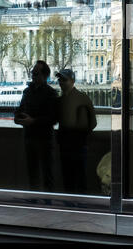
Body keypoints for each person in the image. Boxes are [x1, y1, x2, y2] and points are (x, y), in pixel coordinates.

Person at [14, 60, 58, 192]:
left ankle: (47, 203)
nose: (32, 75)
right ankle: (35, 200)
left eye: (35, 73)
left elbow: (53, 119)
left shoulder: (51, 94)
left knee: (47, 173)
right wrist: (17, 116)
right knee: (32, 173)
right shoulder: (27, 92)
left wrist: (32, 121)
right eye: (32, 73)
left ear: (44, 76)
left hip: (44, 139)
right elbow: (22, 108)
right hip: (30, 137)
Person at [55, 69, 97, 194]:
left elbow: (92, 122)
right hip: (72, 143)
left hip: (75, 144)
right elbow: (93, 123)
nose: (61, 83)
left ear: (72, 81)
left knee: (74, 178)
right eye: (59, 80)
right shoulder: (81, 98)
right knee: (73, 177)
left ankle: (75, 204)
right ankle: (77, 204)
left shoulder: (65, 100)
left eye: (64, 80)